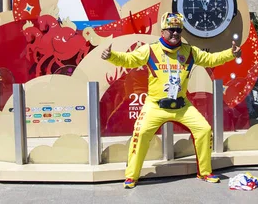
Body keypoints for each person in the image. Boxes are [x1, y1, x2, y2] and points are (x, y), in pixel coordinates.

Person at [101, 12, 241, 189]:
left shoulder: (189, 51)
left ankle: (205, 172)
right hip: (155, 105)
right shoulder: (150, 50)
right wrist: (111, 56)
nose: (175, 33)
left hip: (182, 105)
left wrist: (231, 53)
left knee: (204, 130)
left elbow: (211, 59)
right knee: (141, 133)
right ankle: (131, 176)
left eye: (178, 30)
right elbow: (130, 60)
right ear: (162, 30)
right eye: (171, 30)